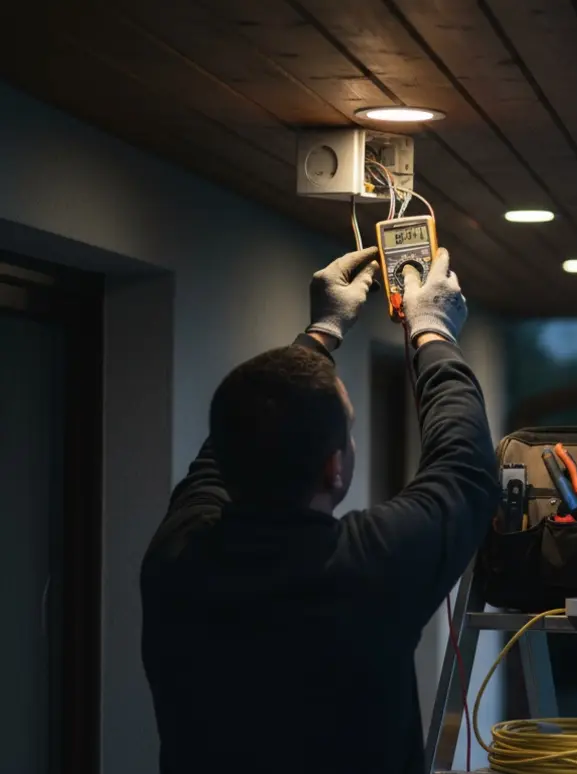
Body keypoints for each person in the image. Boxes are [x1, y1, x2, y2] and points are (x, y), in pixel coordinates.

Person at [140, 247, 500, 774]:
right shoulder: (368, 566)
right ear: (335, 469)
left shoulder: (177, 555)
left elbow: (234, 436)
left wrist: (322, 330)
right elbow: (464, 467)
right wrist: (432, 330)